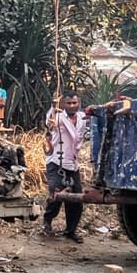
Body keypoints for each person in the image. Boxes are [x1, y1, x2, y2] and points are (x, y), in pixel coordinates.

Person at [42, 90, 88, 243]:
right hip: (56, 162)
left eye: (74, 103)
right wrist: (54, 107)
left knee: (76, 198)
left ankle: (70, 230)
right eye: (68, 103)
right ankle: (47, 223)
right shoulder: (58, 116)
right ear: (63, 104)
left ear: (78, 103)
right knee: (56, 194)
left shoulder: (82, 117)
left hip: (73, 163)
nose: (72, 106)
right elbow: (49, 122)